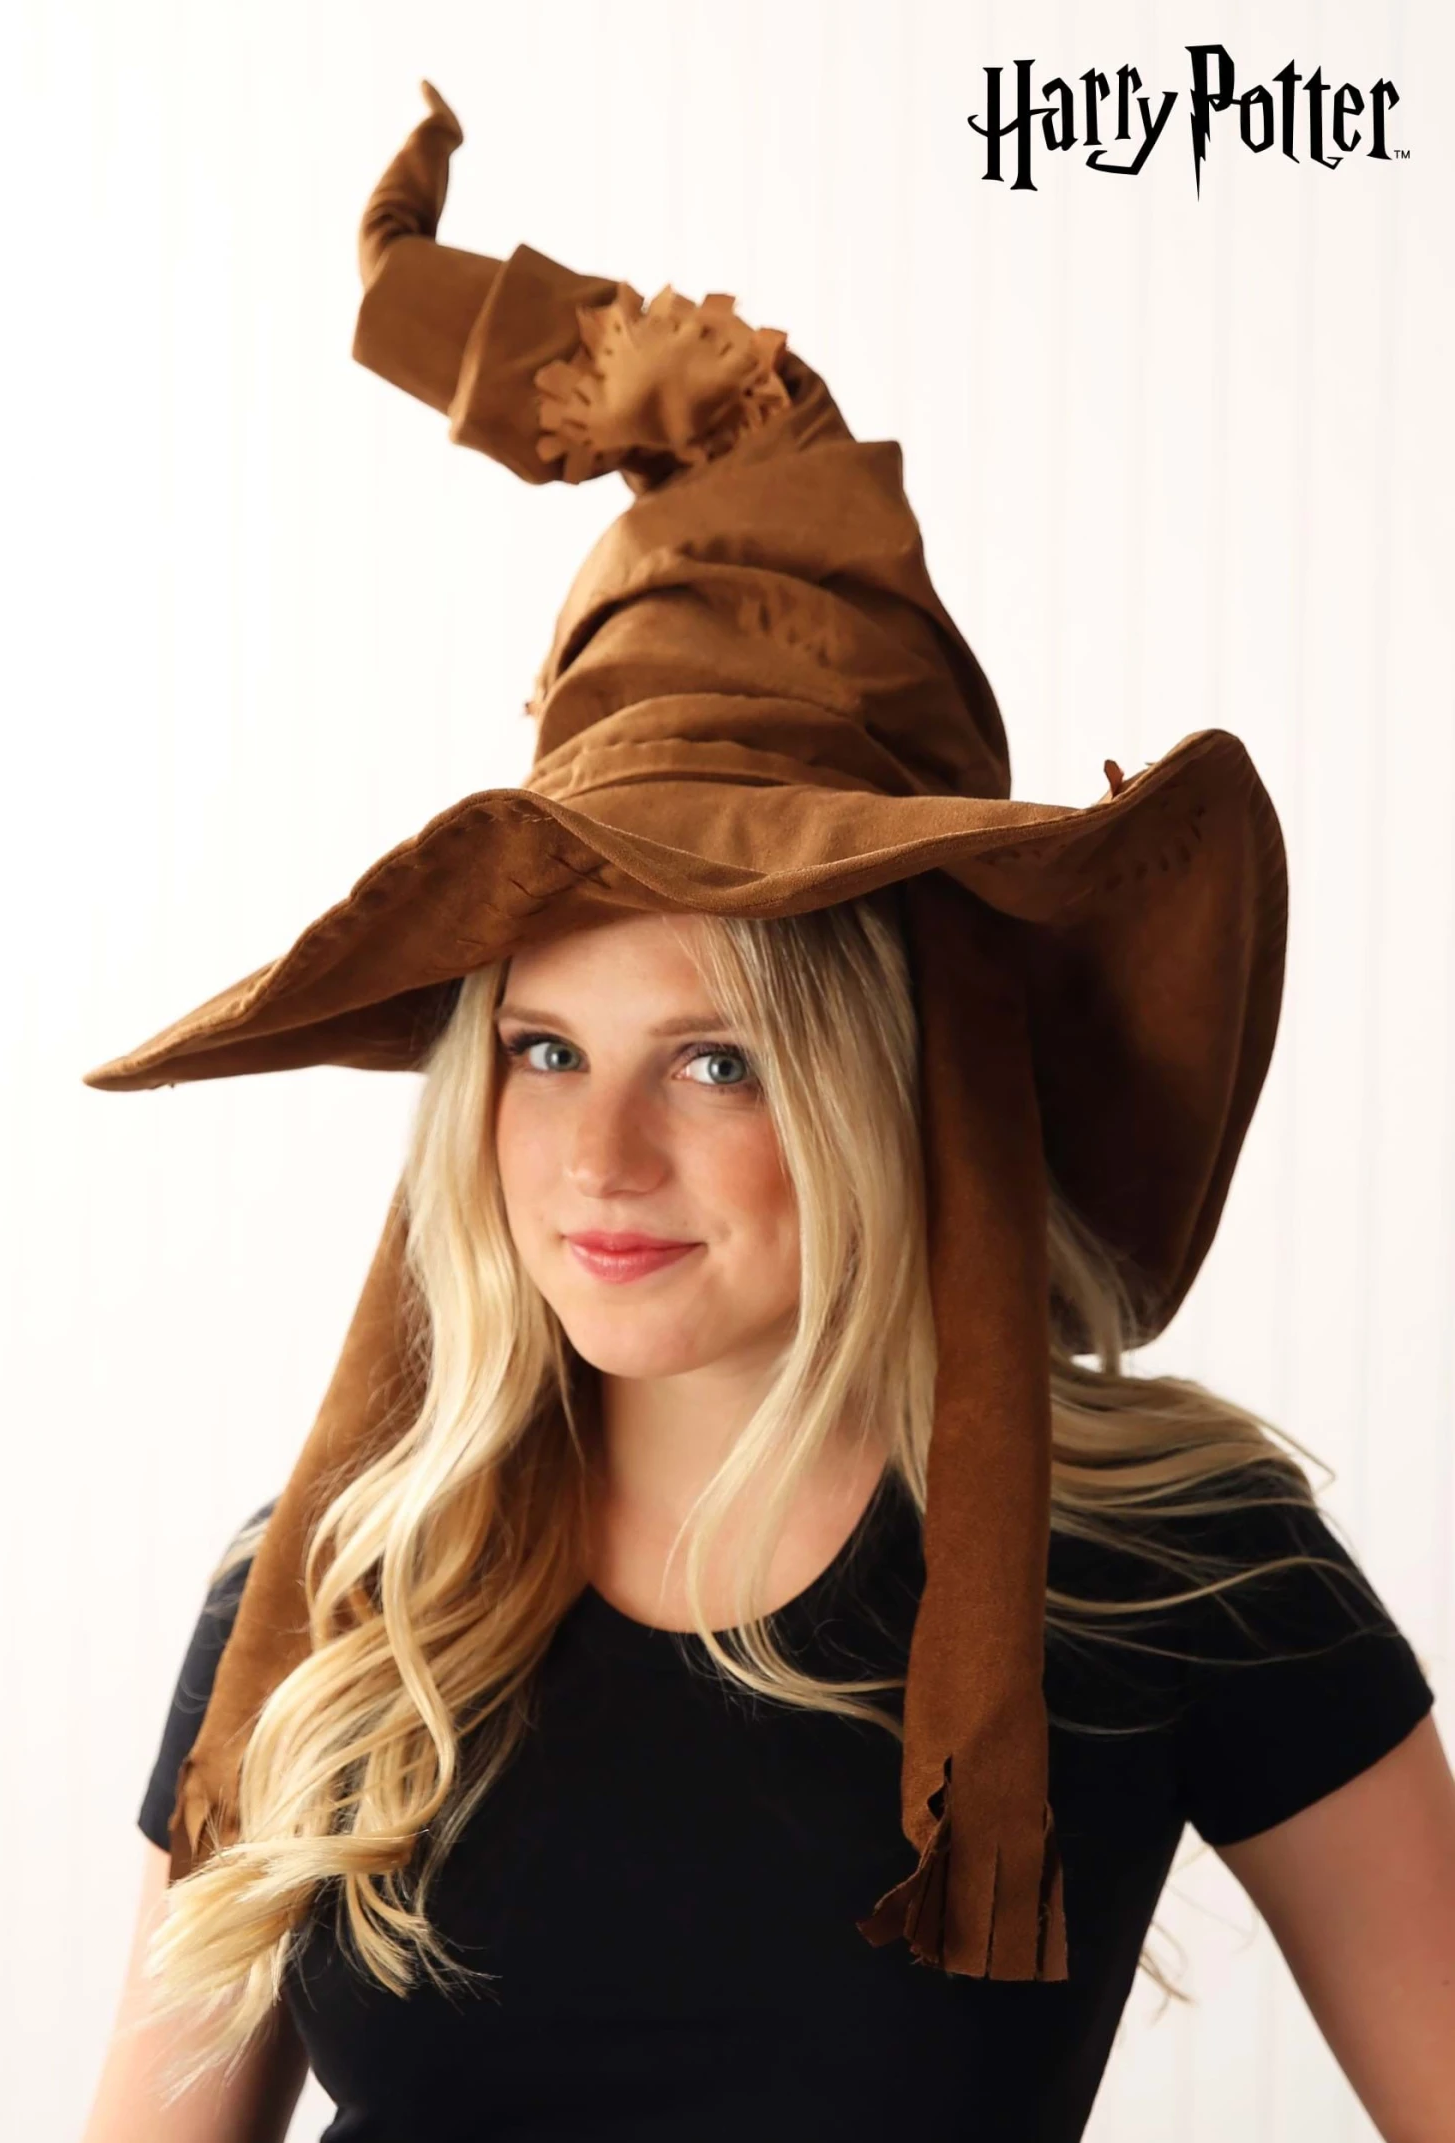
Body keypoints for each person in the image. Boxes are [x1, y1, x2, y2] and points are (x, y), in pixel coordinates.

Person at [79, 84, 1455, 2143]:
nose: (596, 1159)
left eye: (715, 1060)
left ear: (899, 1086)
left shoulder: (1177, 1562)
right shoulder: (338, 1586)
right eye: (544, 1050)